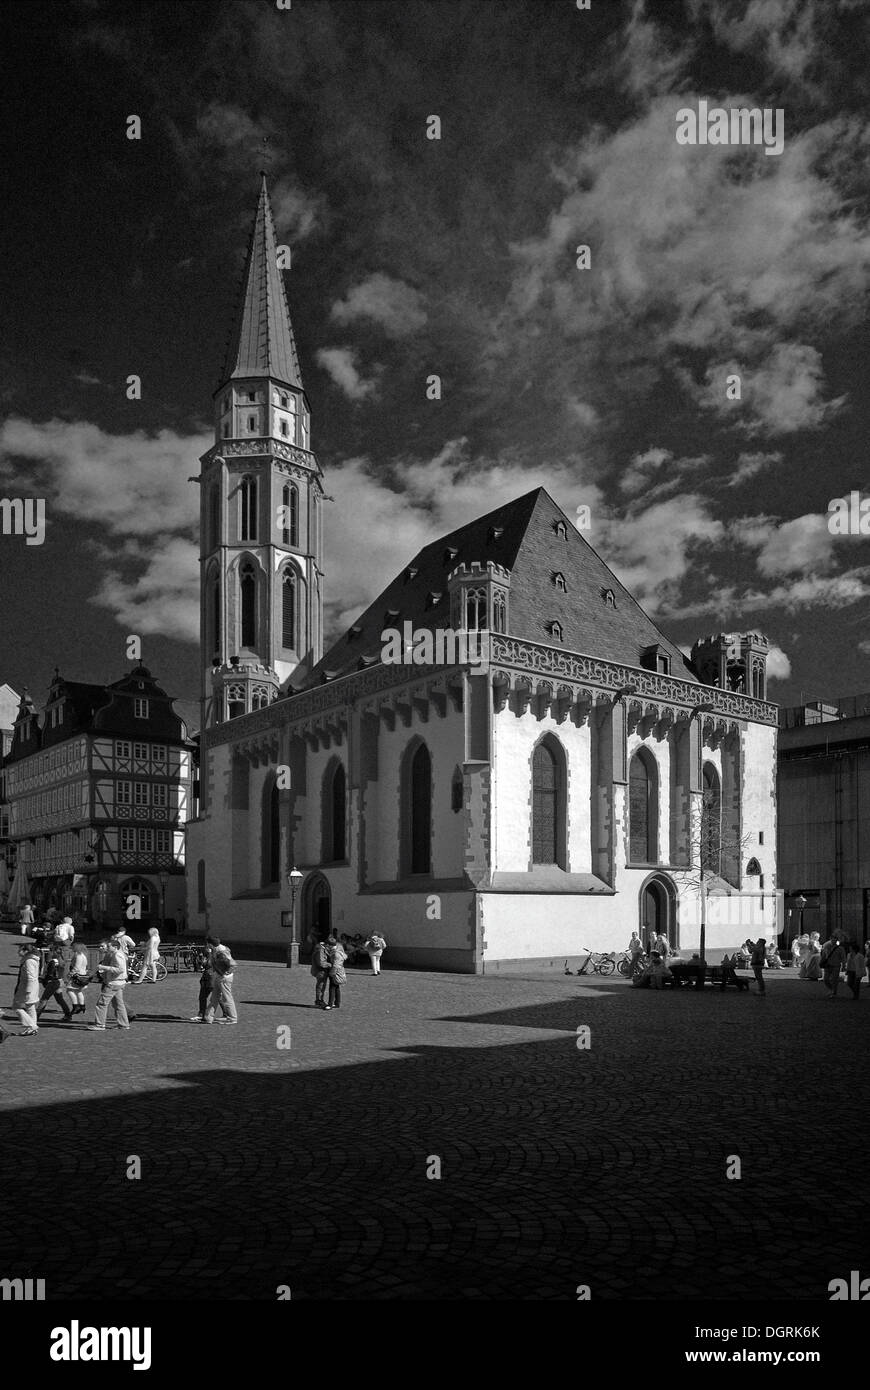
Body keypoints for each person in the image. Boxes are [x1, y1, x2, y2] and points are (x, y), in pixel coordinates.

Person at [88, 939, 131, 1031]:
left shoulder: (117, 955)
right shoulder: (118, 954)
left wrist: (104, 967)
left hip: (114, 982)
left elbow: (120, 969)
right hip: (119, 982)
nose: (107, 948)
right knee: (118, 1004)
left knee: (102, 1003)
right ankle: (123, 1024)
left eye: (109, 946)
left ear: (115, 947)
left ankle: (100, 1024)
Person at [35, 946, 74, 1023]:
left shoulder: (53, 962)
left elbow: (50, 974)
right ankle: (68, 1015)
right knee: (60, 999)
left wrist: (43, 980)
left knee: (44, 999)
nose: (49, 953)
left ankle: (36, 1016)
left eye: (50, 951)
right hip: (59, 981)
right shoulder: (61, 960)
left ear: (54, 952)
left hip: (52, 983)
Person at [203, 937, 237, 1024]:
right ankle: (208, 1017)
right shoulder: (217, 949)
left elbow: (232, 964)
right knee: (214, 997)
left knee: (227, 998)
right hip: (219, 976)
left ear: (210, 944)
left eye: (207, 943)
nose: (206, 945)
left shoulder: (221, 951)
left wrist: (225, 973)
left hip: (224, 977)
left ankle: (232, 1018)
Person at [13, 940, 41, 1034]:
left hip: (27, 988)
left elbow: (31, 977)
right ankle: (32, 1028)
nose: (18, 952)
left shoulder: (29, 961)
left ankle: (32, 1026)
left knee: (17, 1007)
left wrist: (28, 990)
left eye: (20, 950)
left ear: (25, 951)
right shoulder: (30, 959)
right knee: (30, 1007)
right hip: (28, 987)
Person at [190, 943, 214, 1022]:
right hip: (211, 978)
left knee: (203, 996)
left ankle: (202, 1014)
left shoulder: (210, 957)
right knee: (216, 998)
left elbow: (207, 965)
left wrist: (201, 961)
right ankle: (226, 1013)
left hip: (209, 979)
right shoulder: (214, 955)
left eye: (206, 949)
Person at [68, 943, 91, 1016]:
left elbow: (76, 967)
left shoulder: (78, 956)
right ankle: (82, 1005)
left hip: (77, 976)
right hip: (83, 975)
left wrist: (70, 974)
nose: (72, 948)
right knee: (78, 991)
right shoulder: (83, 955)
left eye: (73, 947)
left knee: (69, 990)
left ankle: (75, 1006)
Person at [326, 933, 347, 1009]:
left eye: (328, 945)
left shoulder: (336, 953)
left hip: (336, 972)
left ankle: (330, 1004)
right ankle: (337, 1003)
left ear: (331, 945)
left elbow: (336, 965)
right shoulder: (337, 949)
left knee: (332, 987)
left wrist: (332, 973)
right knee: (336, 987)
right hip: (339, 970)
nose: (327, 946)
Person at [310, 935, 330, 1009]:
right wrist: (330, 964)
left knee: (321, 986)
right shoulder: (320, 950)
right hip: (320, 971)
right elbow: (321, 963)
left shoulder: (320, 949)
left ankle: (320, 1000)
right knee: (320, 986)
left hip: (320, 971)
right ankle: (319, 1001)